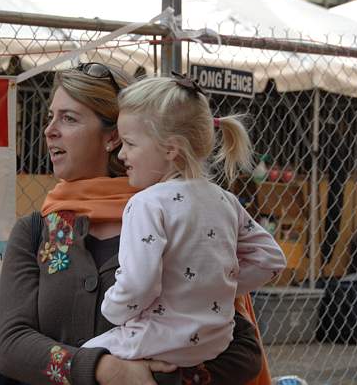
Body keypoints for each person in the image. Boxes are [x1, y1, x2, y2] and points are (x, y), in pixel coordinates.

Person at [0, 62, 273, 385]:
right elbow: (11, 345)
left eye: (68, 118)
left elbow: (243, 352)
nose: (49, 130)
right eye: (50, 117)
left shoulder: (180, 216)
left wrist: (162, 379)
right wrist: (106, 370)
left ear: (114, 137)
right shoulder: (36, 231)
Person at [81, 75, 286, 367]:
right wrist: (215, 289)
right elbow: (270, 259)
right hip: (215, 342)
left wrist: (111, 310)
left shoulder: (146, 204)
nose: (121, 152)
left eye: (129, 143)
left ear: (170, 149)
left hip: (154, 340)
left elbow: (139, 285)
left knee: (80, 361)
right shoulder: (225, 201)